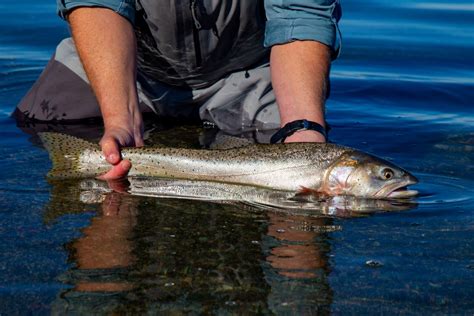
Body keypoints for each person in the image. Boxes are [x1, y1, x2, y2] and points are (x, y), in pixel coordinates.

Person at [15, 0, 342, 180]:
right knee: (36, 127)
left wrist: (303, 128)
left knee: (294, 153)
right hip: (127, 62)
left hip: (247, 75)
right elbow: (97, 2)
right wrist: (119, 119)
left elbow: (301, 14)